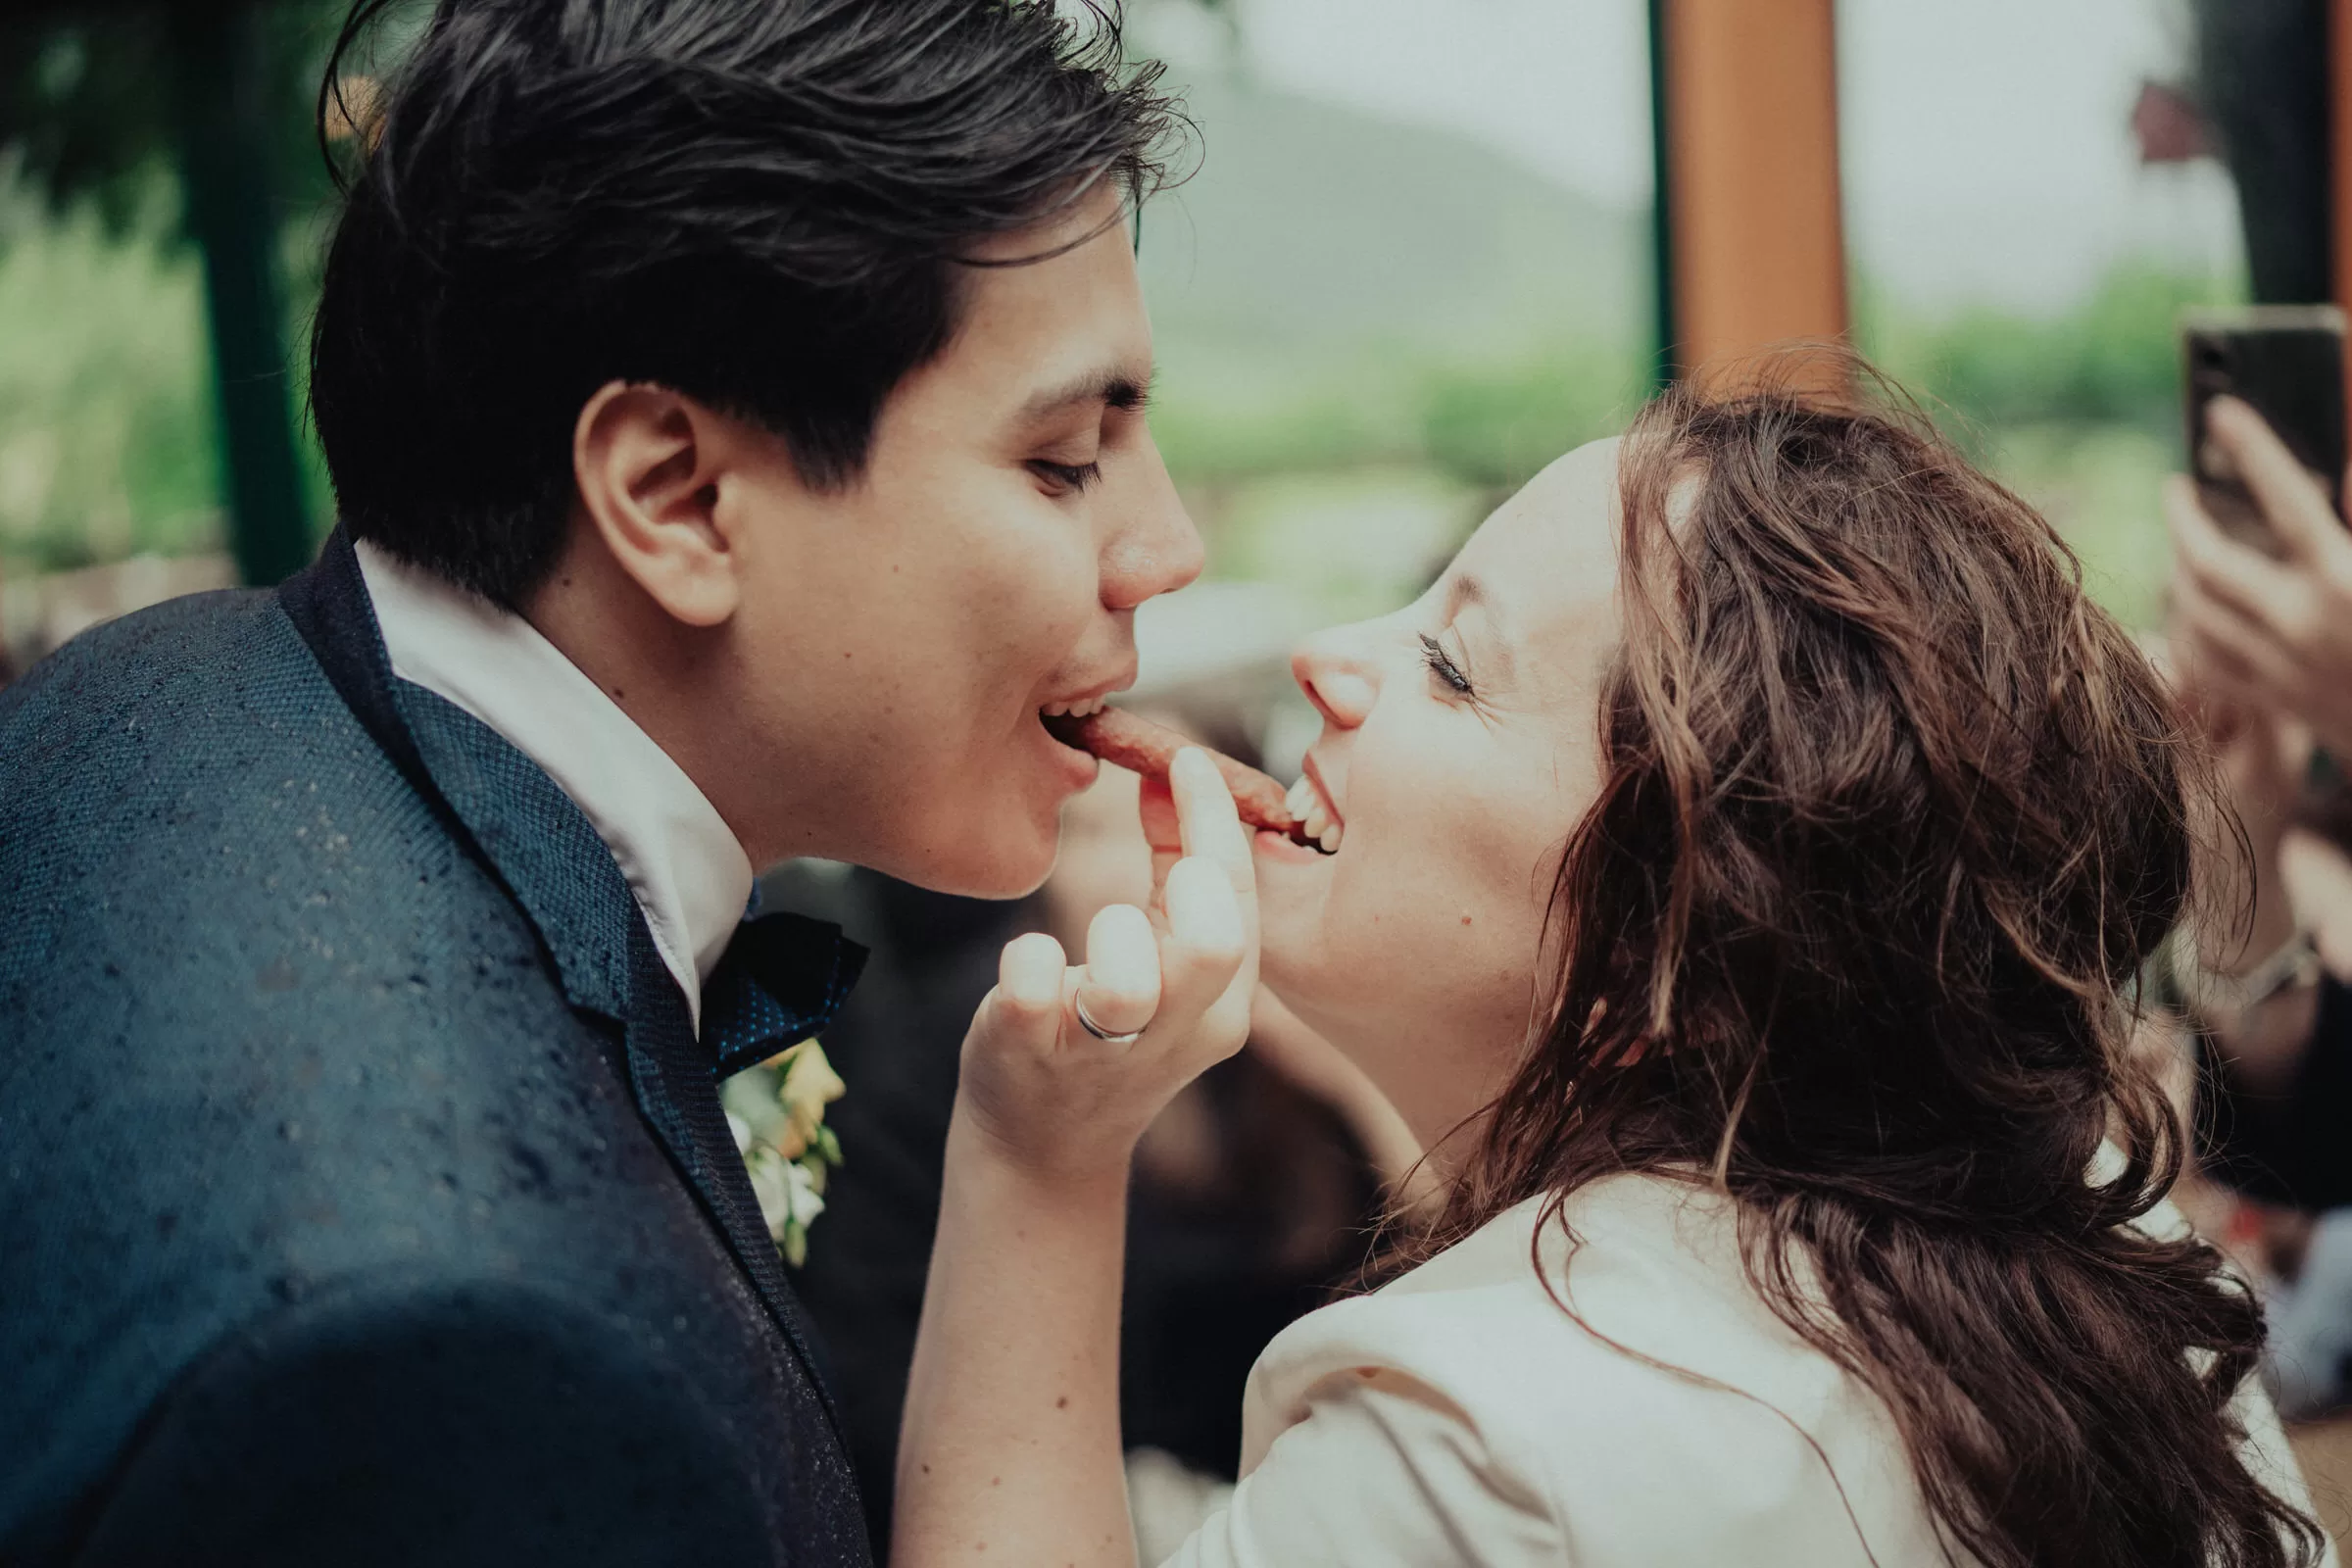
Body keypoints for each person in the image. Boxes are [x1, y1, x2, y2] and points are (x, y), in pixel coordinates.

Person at [0, 1, 1194, 1562]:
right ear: (678, 497)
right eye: (1064, 458)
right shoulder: (474, 1363)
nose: (1168, 548)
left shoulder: (165, 687)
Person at [891, 360, 2328, 1568]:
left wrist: (1037, 1162)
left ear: (1670, 967)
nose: (1329, 653)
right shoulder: (2115, 1258)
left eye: (1454, 666)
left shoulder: (1482, 1452)